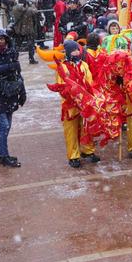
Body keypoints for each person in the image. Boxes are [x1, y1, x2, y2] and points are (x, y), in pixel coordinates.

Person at [0, 30, 25, 167]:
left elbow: (18, 73)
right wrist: (7, 67)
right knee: (4, 126)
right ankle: (4, 156)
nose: (1, 41)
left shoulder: (11, 52)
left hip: (11, 93)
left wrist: (22, 91)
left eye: (3, 39)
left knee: (7, 126)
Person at [57, 40, 100, 168]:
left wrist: (89, 96)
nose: (77, 52)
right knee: (71, 131)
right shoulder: (63, 67)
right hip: (70, 104)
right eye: (73, 50)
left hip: (84, 103)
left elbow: (89, 82)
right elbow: (62, 86)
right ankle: (73, 156)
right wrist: (74, 96)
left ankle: (88, 151)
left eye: (77, 49)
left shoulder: (84, 65)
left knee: (87, 127)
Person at [11, 0, 38, 64]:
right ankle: (31, 59)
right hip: (28, 30)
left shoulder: (14, 9)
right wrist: (30, 5)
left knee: (17, 45)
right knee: (30, 45)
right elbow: (35, 11)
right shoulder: (29, 10)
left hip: (19, 30)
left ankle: (15, 58)